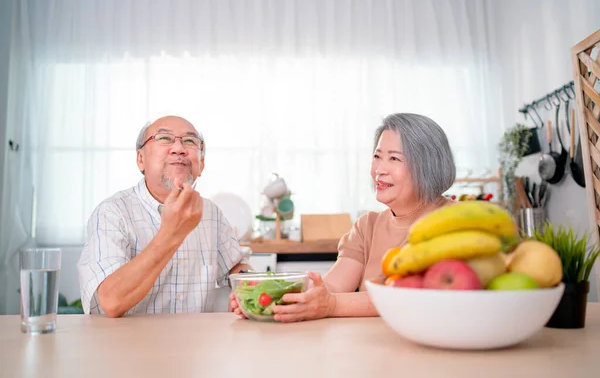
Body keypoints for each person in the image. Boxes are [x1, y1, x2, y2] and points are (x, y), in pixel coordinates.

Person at [230, 112, 456, 322]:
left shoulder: (453, 221)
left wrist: (331, 305)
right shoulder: (367, 226)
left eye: (394, 159)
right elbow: (332, 286)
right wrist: (268, 298)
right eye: (377, 156)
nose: (380, 169)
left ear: (428, 165)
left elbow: (405, 297)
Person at [78, 115, 251, 317]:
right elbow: (110, 301)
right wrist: (172, 231)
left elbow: (235, 267)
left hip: (197, 344)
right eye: (164, 138)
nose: (179, 148)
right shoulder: (112, 212)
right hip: (129, 346)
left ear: (201, 164)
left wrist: (247, 288)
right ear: (140, 159)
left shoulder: (211, 212)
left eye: (189, 141)